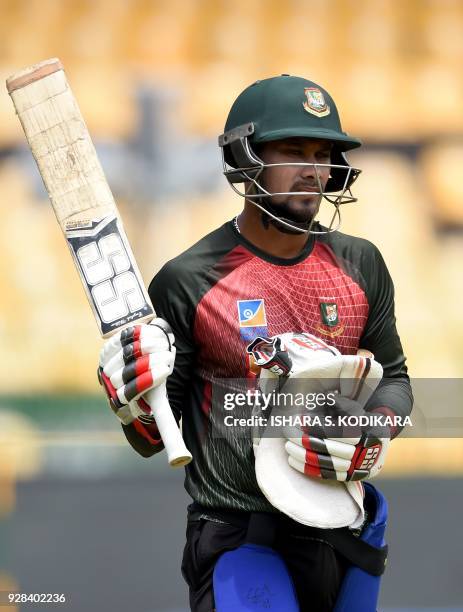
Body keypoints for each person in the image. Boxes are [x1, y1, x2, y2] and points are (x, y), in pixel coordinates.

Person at [98, 75, 413, 611]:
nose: (313, 170)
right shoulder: (189, 280)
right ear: (245, 157)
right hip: (236, 535)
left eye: (322, 153)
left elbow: (398, 382)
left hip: (342, 528)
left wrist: (371, 428)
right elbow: (154, 438)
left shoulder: (363, 264)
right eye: (293, 150)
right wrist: (131, 402)